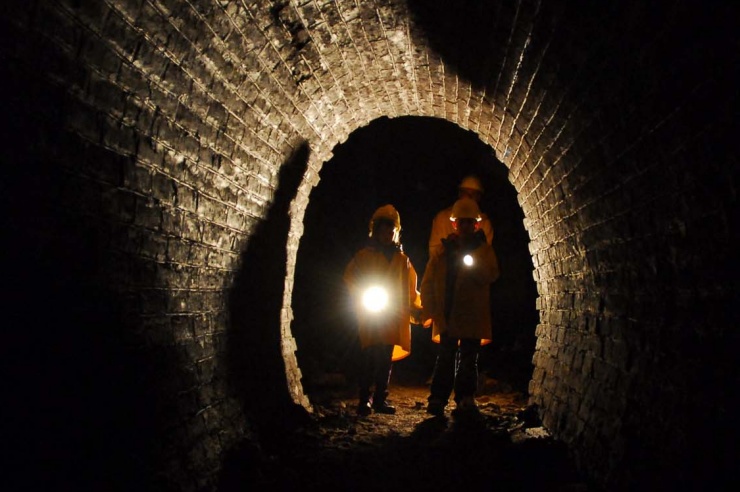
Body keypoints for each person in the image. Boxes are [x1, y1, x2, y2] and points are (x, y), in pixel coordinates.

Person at [421, 197, 500, 416]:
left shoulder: (484, 251)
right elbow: (429, 280)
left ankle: (465, 397)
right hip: (448, 313)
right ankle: (438, 399)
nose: (465, 226)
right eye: (461, 222)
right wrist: (430, 307)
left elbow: (492, 274)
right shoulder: (443, 250)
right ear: (455, 224)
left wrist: (473, 266)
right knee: (445, 357)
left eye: (469, 222)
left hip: (471, 315)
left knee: (468, 359)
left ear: (476, 224)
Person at [344, 205, 422, 416]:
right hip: (371, 314)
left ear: (395, 233)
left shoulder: (402, 259)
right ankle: (364, 399)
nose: (387, 235)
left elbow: (410, 287)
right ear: (376, 231)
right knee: (369, 357)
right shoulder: (364, 256)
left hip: (391, 316)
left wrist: (416, 309)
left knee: (384, 359)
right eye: (384, 231)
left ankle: (380, 398)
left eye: (391, 231)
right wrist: (360, 295)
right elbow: (350, 277)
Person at [428, 175, 494, 257]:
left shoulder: (485, 223)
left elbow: (487, 255)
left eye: (473, 194)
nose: (469, 197)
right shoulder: (442, 218)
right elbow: (434, 251)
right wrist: (448, 248)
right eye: (465, 193)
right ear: (460, 194)